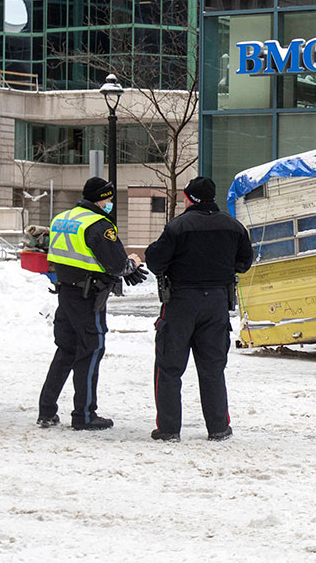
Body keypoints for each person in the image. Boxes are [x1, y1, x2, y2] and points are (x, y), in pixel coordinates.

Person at [145, 177, 253, 442]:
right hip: (216, 303)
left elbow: (156, 261)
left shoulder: (177, 227)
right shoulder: (234, 227)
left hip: (181, 302)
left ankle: (169, 429)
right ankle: (218, 428)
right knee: (213, 369)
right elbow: (245, 262)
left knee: (169, 368)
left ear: (189, 197)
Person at [37, 177, 148, 430]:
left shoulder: (62, 219)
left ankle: (46, 410)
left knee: (65, 350)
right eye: (108, 199)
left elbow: (76, 256)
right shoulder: (99, 225)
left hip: (66, 292)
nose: (110, 203)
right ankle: (85, 415)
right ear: (101, 198)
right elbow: (118, 264)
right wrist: (133, 263)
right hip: (89, 297)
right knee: (91, 350)